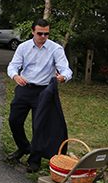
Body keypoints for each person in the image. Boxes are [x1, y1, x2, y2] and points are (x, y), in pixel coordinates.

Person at [6, 19, 73, 173]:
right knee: (14, 120)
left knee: (39, 126)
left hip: (44, 92)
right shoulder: (23, 47)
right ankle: (24, 147)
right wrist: (15, 76)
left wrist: (63, 77)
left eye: (46, 33)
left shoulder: (55, 49)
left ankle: (34, 159)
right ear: (32, 32)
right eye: (40, 33)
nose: (43, 36)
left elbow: (66, 69)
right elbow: (13, 65)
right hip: (24, 88)